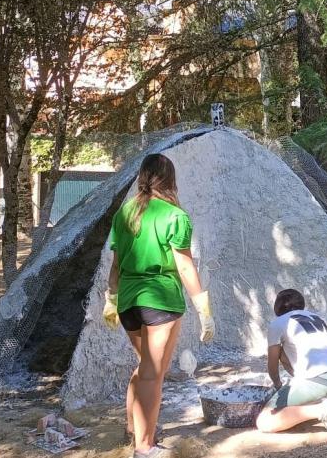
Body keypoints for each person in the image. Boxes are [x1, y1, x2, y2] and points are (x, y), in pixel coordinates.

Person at [103, 153, 215, 458]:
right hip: (160, 300)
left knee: (144, 367)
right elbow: (185, 267)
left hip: (128, 300)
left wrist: (111, 299)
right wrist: (203, 307)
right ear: (169, 179)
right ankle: (145, 446)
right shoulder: (175, 216)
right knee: (154, 372)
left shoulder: (124, 213)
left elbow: (115, 266)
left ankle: (132, 427)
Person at [256, 289, 327, 438]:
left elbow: (272, 363)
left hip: (319, 378)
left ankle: (324, 410)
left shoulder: (278, 323)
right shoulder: (316, 318)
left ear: (277, 308)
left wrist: (277, 385)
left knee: (264, 421)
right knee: (284, 351)